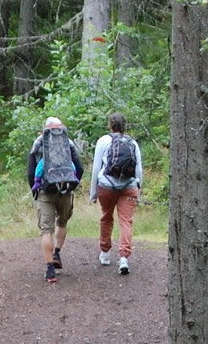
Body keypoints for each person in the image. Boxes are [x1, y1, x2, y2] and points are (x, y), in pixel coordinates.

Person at [27, 116, 84, 285]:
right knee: (62, 222)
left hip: (45, 190)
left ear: (45, 129)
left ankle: (50, 270)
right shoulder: (68, 141)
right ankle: (57, 252)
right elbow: (79, 167)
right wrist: (72, 185)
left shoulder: (39, 142)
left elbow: (31, 171)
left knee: (46, 230)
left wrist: (35, 189)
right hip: (65, 188)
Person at [91, 112, 143, 275]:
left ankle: (105, 253)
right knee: (126, 221)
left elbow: (96, 169)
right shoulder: (132, 143)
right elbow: (138, 170)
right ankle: (124, 259)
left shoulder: (103, 141)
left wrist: (93, 192)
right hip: (129, 186)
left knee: (106, 217)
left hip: (106, 186)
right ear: (124, 126)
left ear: (110, 126)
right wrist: (138, 191)